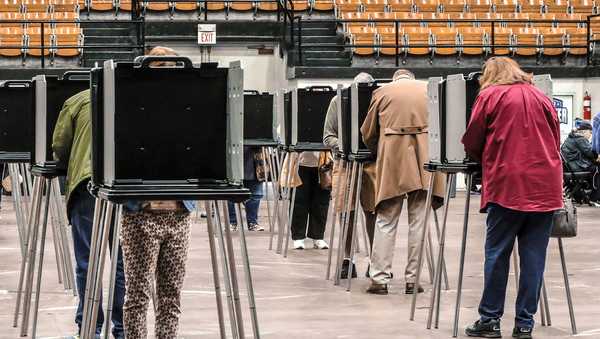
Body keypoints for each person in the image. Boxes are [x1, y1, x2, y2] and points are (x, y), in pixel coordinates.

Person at [461, 57, 563, 339]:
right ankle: (525, 324)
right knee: (534, 258)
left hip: (508, 185)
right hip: (545, 186)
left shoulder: (490, 95)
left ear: (489, 74)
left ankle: (490, 320)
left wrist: (483, 158)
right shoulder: (540, 96)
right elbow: (555, 139)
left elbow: (472, 139)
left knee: (496, 254)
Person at [118, 46, 196, 338]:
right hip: (141, 214)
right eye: (162, 67)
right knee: (137, 296)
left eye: (172, 68)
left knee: (171, 297)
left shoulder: (187, 111)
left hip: (179, 215)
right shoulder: (130, 109)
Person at [361, 69, 445, 295]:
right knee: (419, 221)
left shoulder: (382, 92)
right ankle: (413, 280)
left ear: (396, 78)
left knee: (385, 220)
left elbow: (368, 132)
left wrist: (379, 149)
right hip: (424, 160)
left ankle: (379, 278)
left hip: (393, 160)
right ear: (411, 76)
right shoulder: (431, 90)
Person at [53, 90, 125, 338]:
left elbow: (60, 146)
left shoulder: (77, 99)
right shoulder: (137, 96)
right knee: (122, 262)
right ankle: (123, 329)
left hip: (87, 184)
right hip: (126, 186)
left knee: (87, 261)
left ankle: (89, 329)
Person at [323, 72, 377, 279]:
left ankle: (375, 260)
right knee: (345, 212)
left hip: (372, 164)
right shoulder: (338, 100)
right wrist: (345, 146)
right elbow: (328, 135)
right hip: (345, 163)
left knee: (373, 212)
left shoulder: (378, 99)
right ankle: (348, 259)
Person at [284, 151, 331, 250]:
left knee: (321, 202)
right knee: (299, 201)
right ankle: (298, 237)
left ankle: (318, 236)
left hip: (322, 164)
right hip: (299, 164)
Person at [561, 120, 600, 203]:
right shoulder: (580, 139)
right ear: (585, 131)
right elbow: (591, 153)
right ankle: (595, 196)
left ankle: (590, 195)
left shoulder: (573, 137)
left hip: (572, 166)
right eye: (590, 132)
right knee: (596, 168)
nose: (591, 135)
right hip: (577, 166)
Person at [228, 146, 265, 231]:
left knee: (256, 194)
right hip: (234, 153)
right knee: (231, 193)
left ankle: (252, 222)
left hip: (255, 158)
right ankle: (232, 222)